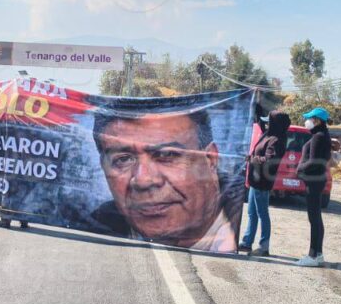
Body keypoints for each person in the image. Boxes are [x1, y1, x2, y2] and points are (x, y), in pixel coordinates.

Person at [89, 108, 238, 252]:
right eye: (123, 159)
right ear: (103, 167)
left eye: (167, 155)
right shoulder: (93, 231)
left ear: (210, 160)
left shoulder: (239, 228)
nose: (143, 180)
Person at [239, 107, 290, 256]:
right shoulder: (269, 135)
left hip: (262, 182)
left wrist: (252, 159)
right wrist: (257, 110)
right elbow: (261, 125)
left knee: (262, 214)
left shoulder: (276, 140)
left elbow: (270, 160)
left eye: (270, 122)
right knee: (252, 214)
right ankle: (247, 243)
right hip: (256, 180)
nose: (266, 124)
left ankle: (264, 247)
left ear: (276, 124)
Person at [294, 107, 332, 267]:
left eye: (309, 118)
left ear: (316, 120)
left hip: (314, 182)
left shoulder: (318, 137)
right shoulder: (322, 135)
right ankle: (319, 254)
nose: (306, 121)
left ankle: (313, 255)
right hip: (317, 181)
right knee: (316, 218)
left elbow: (314, 162)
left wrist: (299, 169)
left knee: (314, 218)